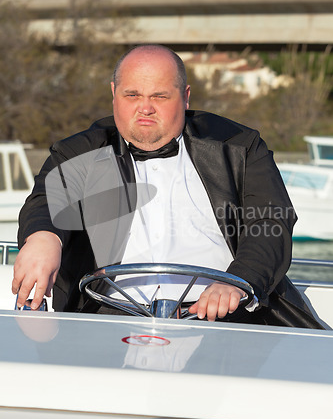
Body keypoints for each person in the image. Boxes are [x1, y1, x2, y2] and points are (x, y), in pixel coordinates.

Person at [12, 44, 323, 327]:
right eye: (132, 95)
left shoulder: (241, 146)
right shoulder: (79, 151)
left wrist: (238, 281)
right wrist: (43, 238)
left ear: (185, 97)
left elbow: (270, 221)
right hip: (106, 317)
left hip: (228, 317)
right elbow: (47, 202)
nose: (145, 107)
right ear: (113, 93)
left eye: (159, 96)